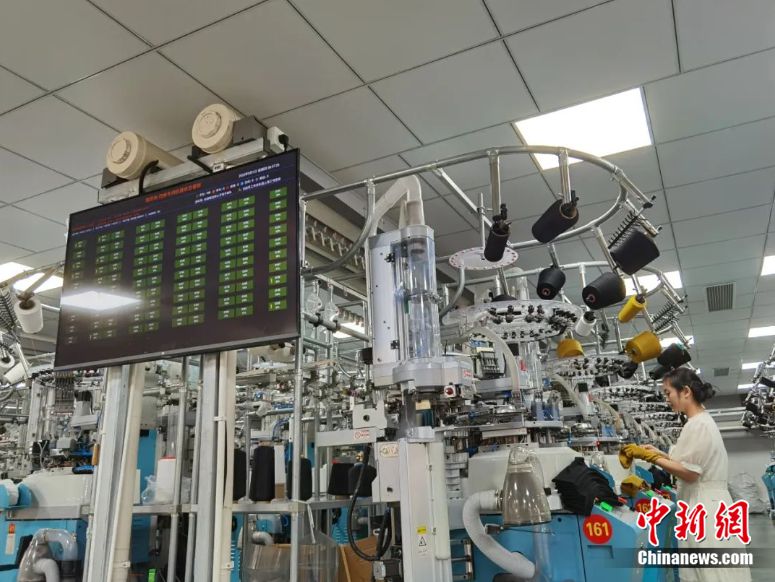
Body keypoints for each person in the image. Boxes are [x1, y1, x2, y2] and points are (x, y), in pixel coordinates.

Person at [623, 367, 751, 582]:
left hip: (705, 507)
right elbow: (690, 462)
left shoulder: (698, 425)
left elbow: (690, 473)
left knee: (711, 574)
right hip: (707, 503)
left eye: (668, 393)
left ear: (686, 392)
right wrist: (659, 453)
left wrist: (650, 458)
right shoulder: (700, 422)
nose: (667, 399)